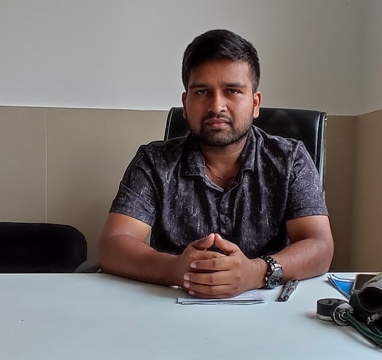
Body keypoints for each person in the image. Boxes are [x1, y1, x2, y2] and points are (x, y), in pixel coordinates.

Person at [99, 29, 334, 298]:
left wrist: (256, 272)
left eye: (232, 90)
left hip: (267, 310)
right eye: (202, 92)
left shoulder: (290, 159)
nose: (216, 106)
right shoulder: (154, 161)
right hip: (170, 307)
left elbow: (319, 245)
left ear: (255, 103)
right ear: (186, 103)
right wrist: (175, 268)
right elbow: (113, 244)